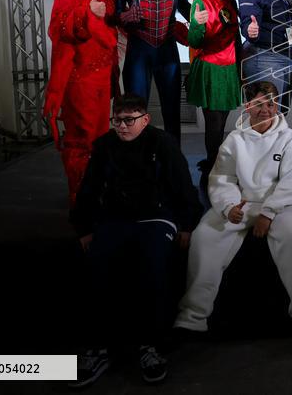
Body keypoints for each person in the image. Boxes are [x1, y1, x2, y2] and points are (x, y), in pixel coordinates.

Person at [69, 93, 202, 387]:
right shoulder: (104, 146)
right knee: (97, 266)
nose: (122, 126)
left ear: (145, 119)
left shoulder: (163, 143)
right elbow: (88, 190)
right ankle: (98, 348)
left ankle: (150, 346)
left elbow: (182, 184)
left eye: (129, 120)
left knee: (153, 267)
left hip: (156, 217)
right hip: (115, 218)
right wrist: (84, 228)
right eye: (117, 120)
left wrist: (187, 225)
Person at [174, 81, 292, 334]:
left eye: (271, 103)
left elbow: (289, 182)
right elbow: (223, 178)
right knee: (204, 237)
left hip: (281, 205)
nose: (265, 109)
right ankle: (192, 316)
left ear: (278, 106)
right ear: (247, 106)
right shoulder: (234, 139)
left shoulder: (288, 138)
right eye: (258, 104)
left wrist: (267, 213)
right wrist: (229, 206)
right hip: (241, 203)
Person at [44, 0, 121, 206]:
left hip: (103, 81)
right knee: (81, 141)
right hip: (79, 82)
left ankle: (97, 192)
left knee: (100, 140)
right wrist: (86, 15)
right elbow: (57, 32)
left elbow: (111, 30)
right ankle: (80, 198)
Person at [113, 0, 192, 143]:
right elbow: (114, 15)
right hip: (139, 50)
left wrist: (202, 18)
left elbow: (184, 6)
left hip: (167, 48)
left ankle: (172, 168)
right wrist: (124, 17)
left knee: (172, 114)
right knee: (134, 113)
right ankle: (138, 169)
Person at [187, 0, 241, 190]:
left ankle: (215, 161)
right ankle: (212, 166)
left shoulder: (231, 0)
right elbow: (193, 40)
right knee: (214, 122)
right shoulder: (200, 2)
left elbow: (235, 37)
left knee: (223, 119)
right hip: (210, 68)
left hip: (230, 68)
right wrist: (197, 25)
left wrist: (240, 67)